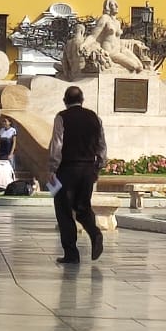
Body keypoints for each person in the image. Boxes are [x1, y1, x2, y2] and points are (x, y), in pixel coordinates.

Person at [49, 84, 107, 265]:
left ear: (65, 101)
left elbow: (57, 145)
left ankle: (71, 254)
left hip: (67, 169)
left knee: (64, 210)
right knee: (82, 207)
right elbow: (102, 144)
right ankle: (95, 233)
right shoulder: (94, 118)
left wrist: (52, 168)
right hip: (88, 169)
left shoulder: (62, 117)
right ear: (82, 100)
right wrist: (99, 166)